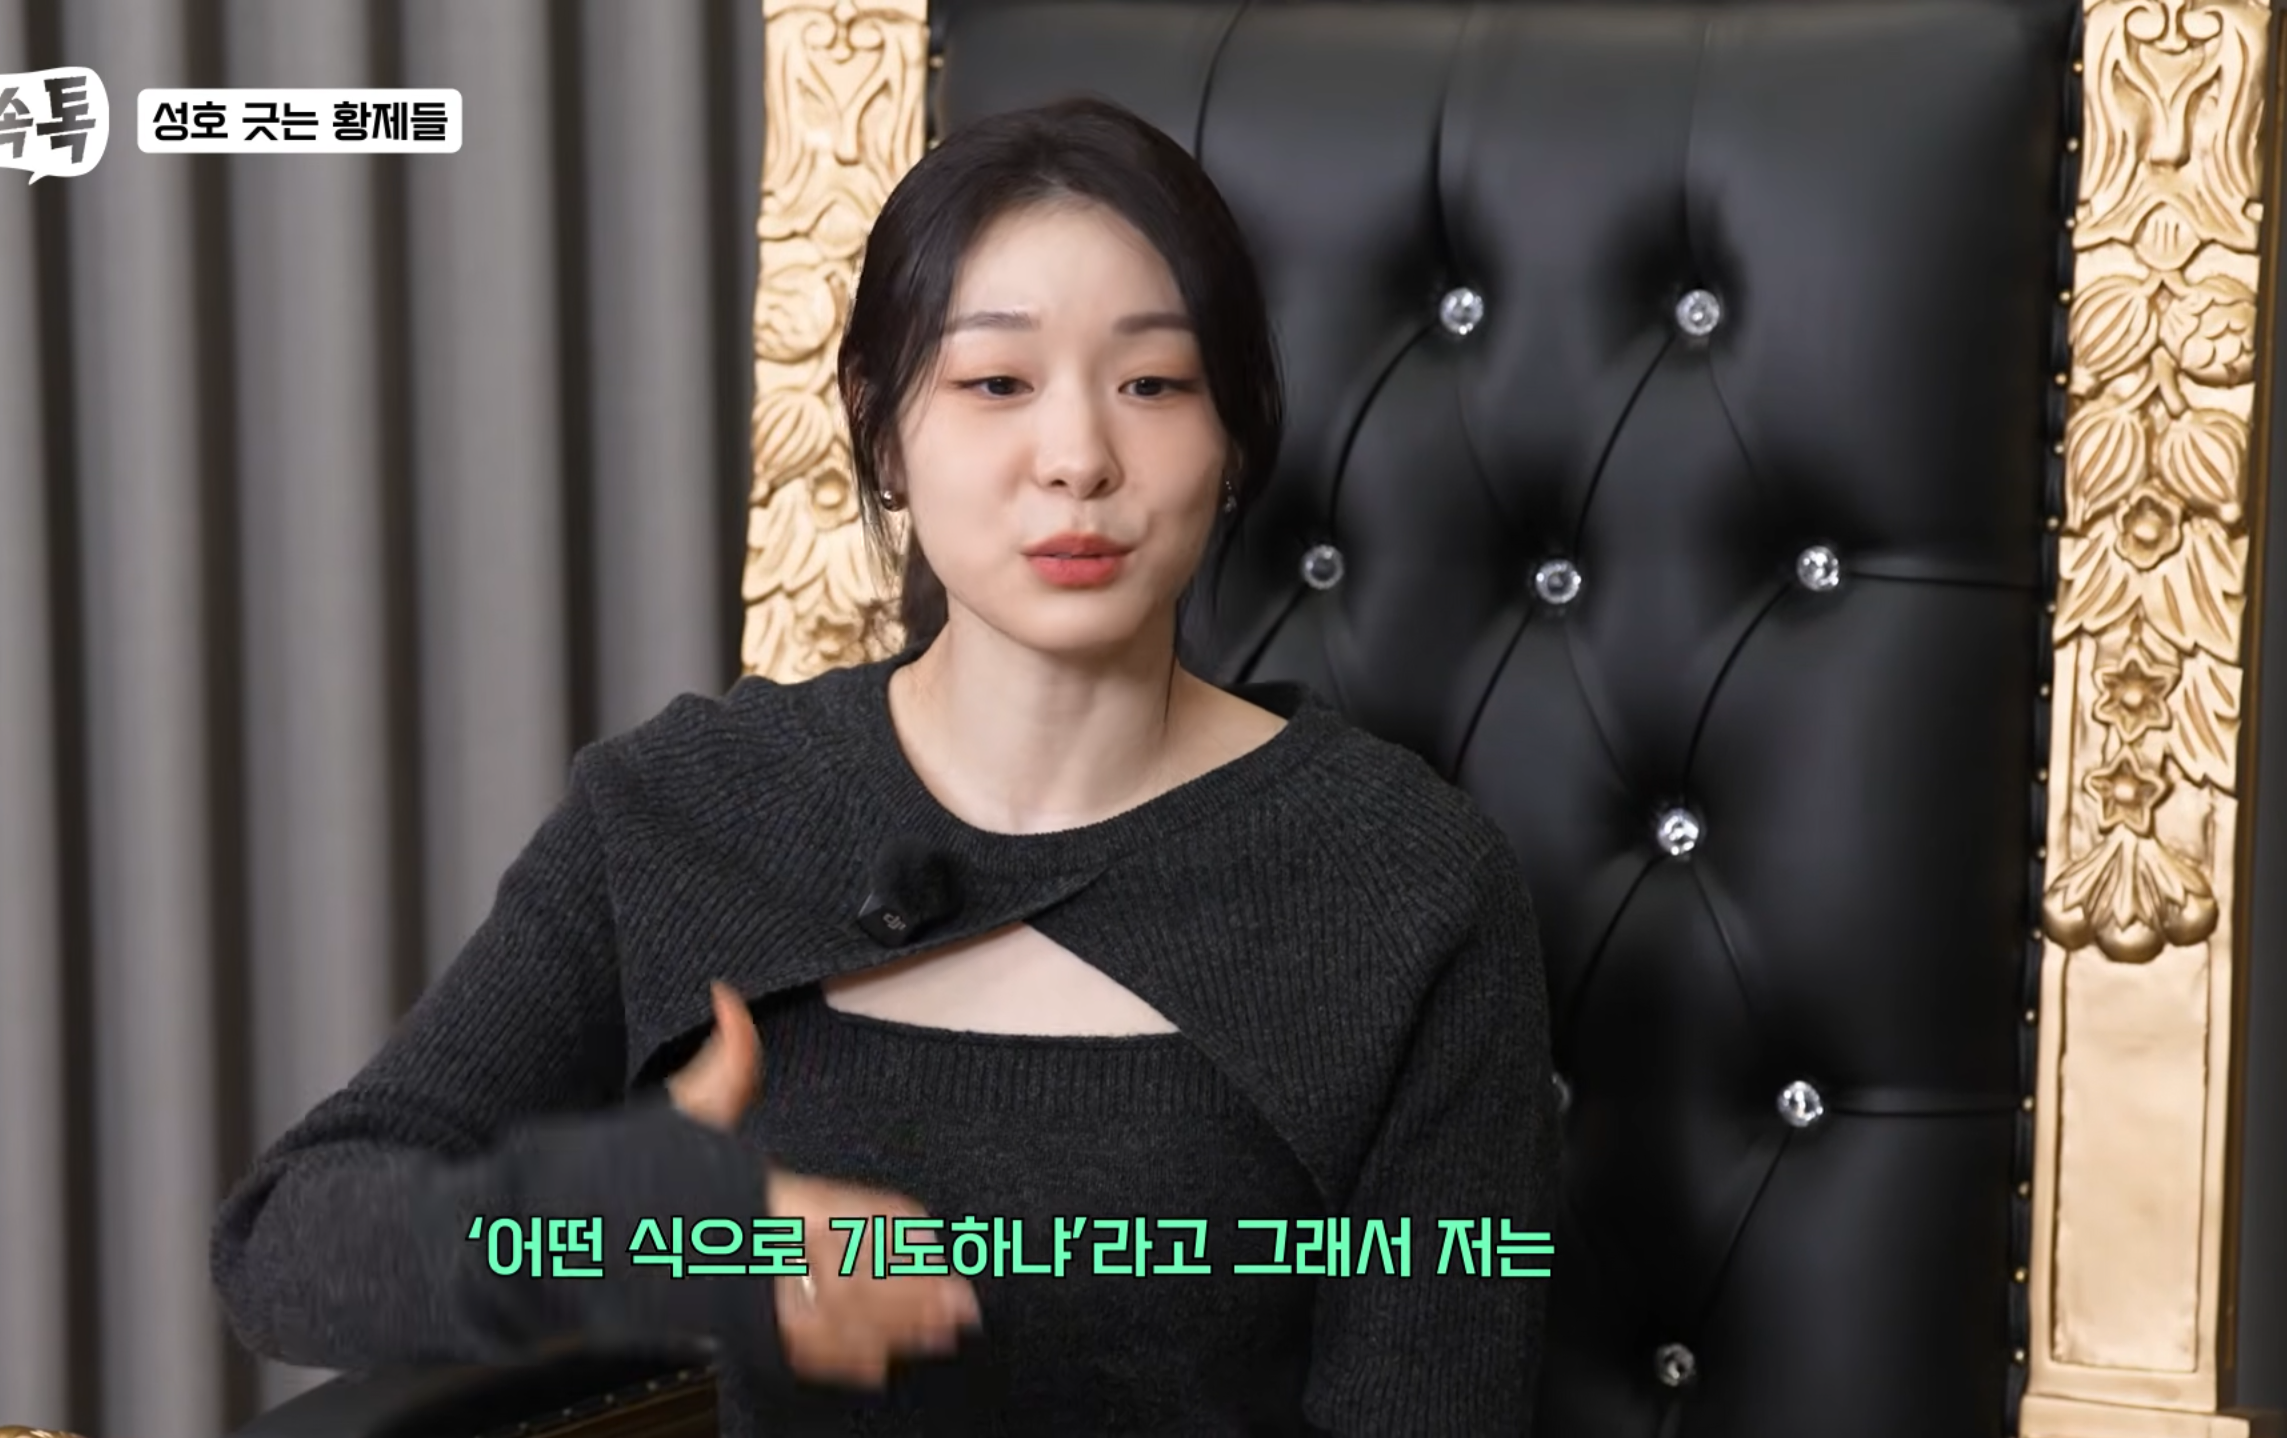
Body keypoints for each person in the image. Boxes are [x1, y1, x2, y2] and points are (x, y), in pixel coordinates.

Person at [211, 95, 1557, 1436]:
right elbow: (291, 1242)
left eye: (1153, 383)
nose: (1078, 459)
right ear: (883, 429)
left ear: (1235, 438)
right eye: (995, 384)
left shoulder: (1407, 889)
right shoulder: (689, 809)